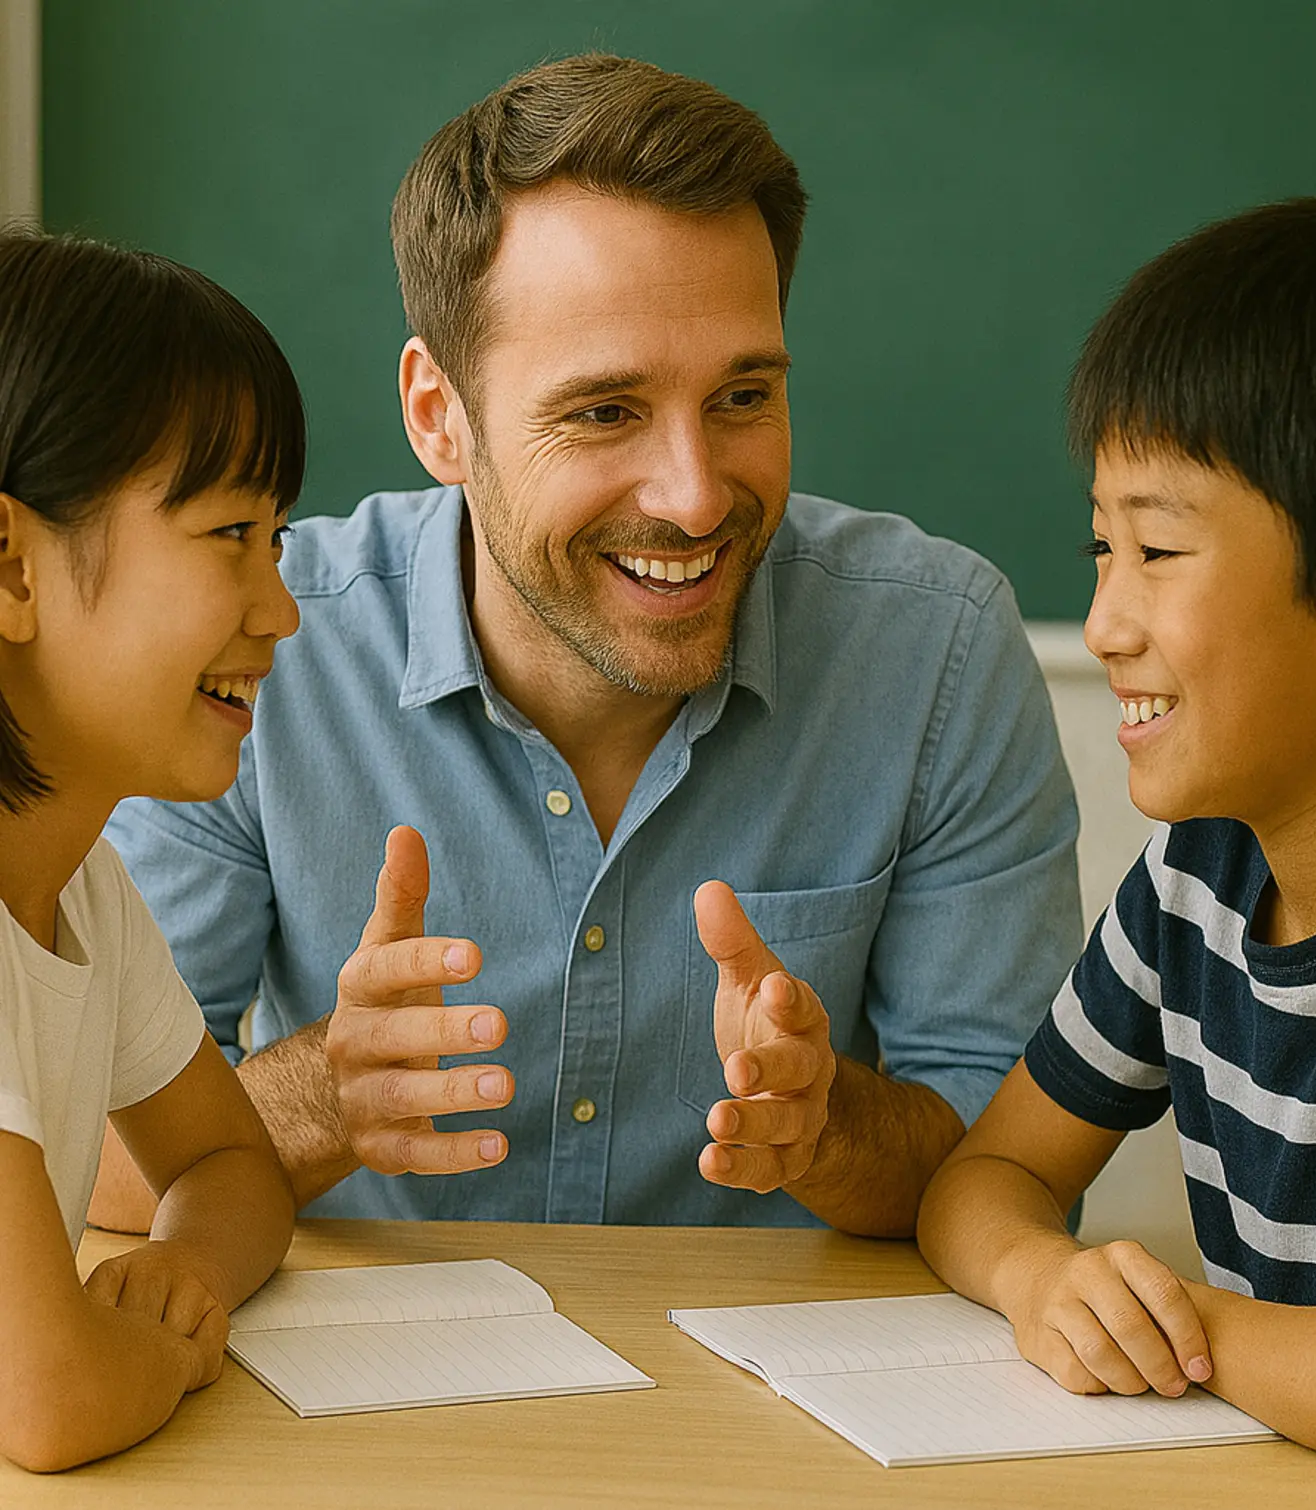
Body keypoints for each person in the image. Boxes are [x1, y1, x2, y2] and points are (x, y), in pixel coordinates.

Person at [93, 53, 1082, 1237]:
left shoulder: (938, 655)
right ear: (438, 417)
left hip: (779, 1408)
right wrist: (323, 1099)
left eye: (743, 398)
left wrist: (828, 1132)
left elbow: (1012, 1158)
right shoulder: (259, 647)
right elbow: (81, 1156)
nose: (696, 496)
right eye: (605, 411)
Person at [916, 196, 1316, 1499]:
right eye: (1098, 545)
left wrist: (1173, 1324)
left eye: (1158, 549)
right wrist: (1043, 1276)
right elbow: (984, 1175)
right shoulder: (1194, 881)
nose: (1104, 620)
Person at [0, 232, 299, 1471]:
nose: (280, 608)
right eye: (231, 532)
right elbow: (50, 1401)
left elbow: (236, 1165)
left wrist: (181, 1267)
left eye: (279, 540)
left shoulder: (79, 888)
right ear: (11, 566)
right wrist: (176, 1352)